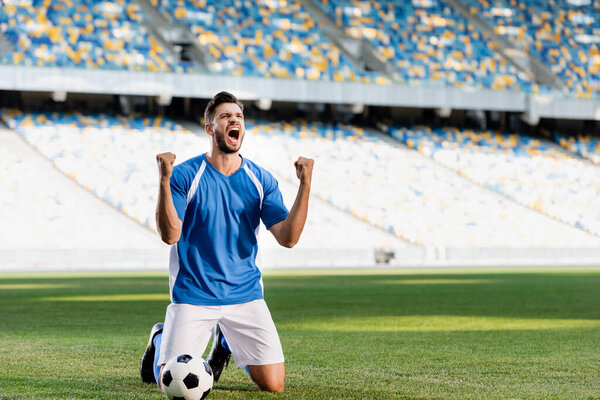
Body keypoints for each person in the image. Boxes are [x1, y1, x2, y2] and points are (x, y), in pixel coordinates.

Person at [139, 91, 314, 393]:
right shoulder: (185, 175)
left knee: (274, 385)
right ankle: (159, 337)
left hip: (245, 295)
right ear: (210, 128)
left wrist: (305, 185)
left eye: (239, 117)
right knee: (170, 383)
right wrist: (164, 180)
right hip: (194, 295)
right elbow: (170, 235)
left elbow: (288, 238)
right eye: (225, 116)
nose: (234, 120)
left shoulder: (261, 179)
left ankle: (224, 339)